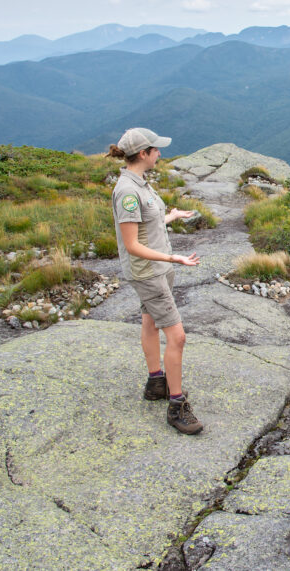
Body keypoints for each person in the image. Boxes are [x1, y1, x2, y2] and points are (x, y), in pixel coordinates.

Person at [109, 127, 203, 435]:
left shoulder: (139, 184)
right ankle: (176, 406)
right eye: (155, 150)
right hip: (149, 272)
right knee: (177, 337)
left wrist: (171, 217)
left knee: (150, 322)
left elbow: (145, 225)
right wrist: (174, 259)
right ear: (142, 154)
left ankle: (156, 383)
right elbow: (132, 244)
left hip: (157, 267)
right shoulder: (127, 192)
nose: (159, 153)